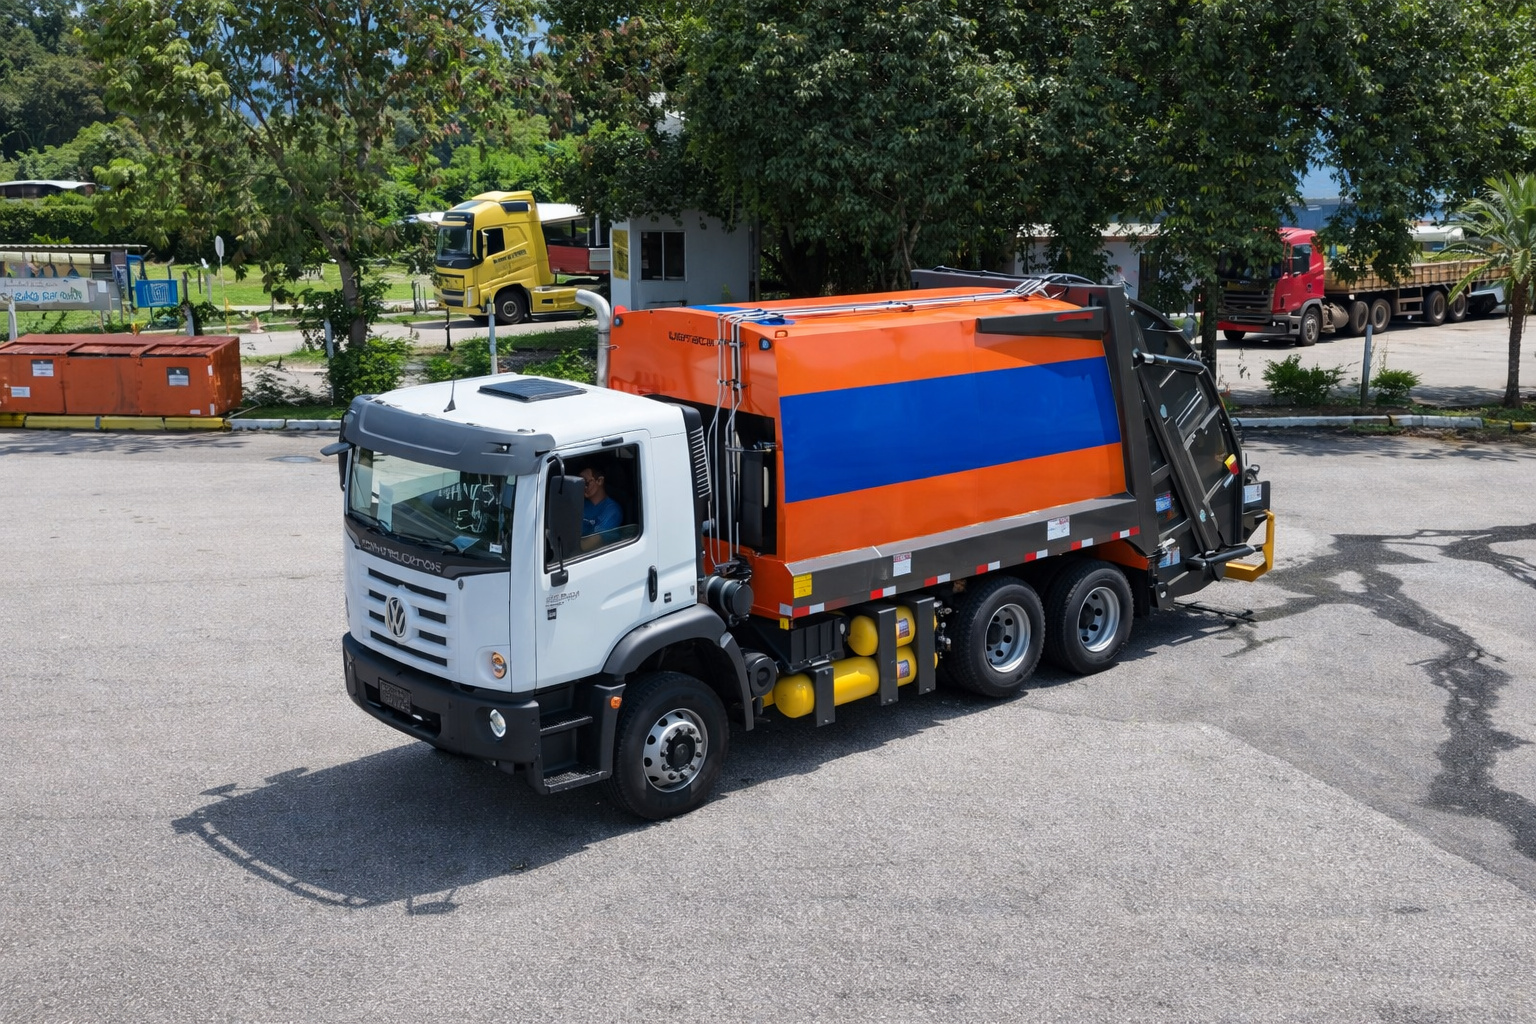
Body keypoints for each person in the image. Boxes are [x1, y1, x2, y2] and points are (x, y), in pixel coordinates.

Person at [580, 465, 622, 547]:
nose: (583, 487)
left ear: (599, 481)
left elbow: (589, 545)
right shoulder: (582, 504)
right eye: (580, 483)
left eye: (586, 483)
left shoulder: (612, 510)